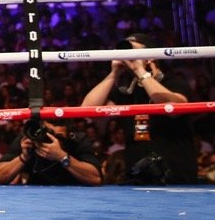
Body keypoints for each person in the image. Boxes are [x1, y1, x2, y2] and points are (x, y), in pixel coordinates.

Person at [79, 32, 196, 184]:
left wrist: (140, 70)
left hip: (175, 170)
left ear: (151, 56)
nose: (128, 55)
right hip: (138, 172)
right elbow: (88, 109)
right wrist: (114, 73)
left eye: (133, 50)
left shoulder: (174, 82)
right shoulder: (128, 89)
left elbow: (175, 109)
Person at [0, 120, 102, 186]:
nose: (51, 139)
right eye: (48, 134)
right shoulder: (30, 138)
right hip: (35, 197)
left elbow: (95, 178)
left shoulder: (77, 140)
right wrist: (24, 157)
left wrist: (62, 156)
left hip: (74, 195)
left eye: (58, 136)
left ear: (69, 135)